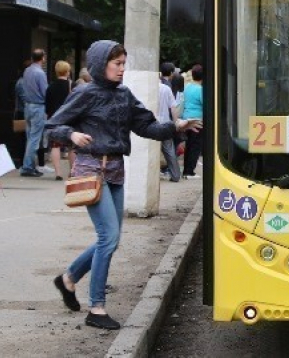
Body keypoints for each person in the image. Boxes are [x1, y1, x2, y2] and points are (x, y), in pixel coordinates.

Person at [46, 40, 201, 330]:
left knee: (112, 239)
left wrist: (176, 126)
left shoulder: (124, 94)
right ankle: (97, 308)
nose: (121, 69)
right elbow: (53, 125)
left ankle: (68, 279)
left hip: (115, 172)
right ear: (99, 64)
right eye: (116, 63)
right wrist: (73, 135)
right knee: (108, 237)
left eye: (123, 63)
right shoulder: (84, 93)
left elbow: (147, 126)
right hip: (91, 171)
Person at [45, 60, 75, 180]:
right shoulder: (72, 85)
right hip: (69, 118)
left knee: (55, 146)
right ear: (67, 71)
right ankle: (72, 171)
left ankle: (58, 173)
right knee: (71, 146)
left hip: (54, 118)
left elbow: (47, 106)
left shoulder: (50, 86)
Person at [20, 49, 48, 177]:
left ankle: (29, 165)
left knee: (30, 137)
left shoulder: (27, 71)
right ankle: (27, 167)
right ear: (42, 58)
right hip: (38, 106)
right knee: (35, 138)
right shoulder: (40, 73)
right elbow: (45, 92)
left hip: (28, 106)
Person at [157, 62, 181, 182]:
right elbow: (173, 107)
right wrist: (175, 122)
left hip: (150, 125)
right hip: (165, 123)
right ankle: (176, 175)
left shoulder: (148, 88)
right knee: (169, 150)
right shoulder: (166, 88)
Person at [180, 65, 204, 179]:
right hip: (197, 121)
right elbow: (205, 105)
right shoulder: (201, 90)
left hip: (186, 120)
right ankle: (190, 172)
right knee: (195, 147)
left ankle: (186, 170)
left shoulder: (187, 86)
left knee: (188, 146)